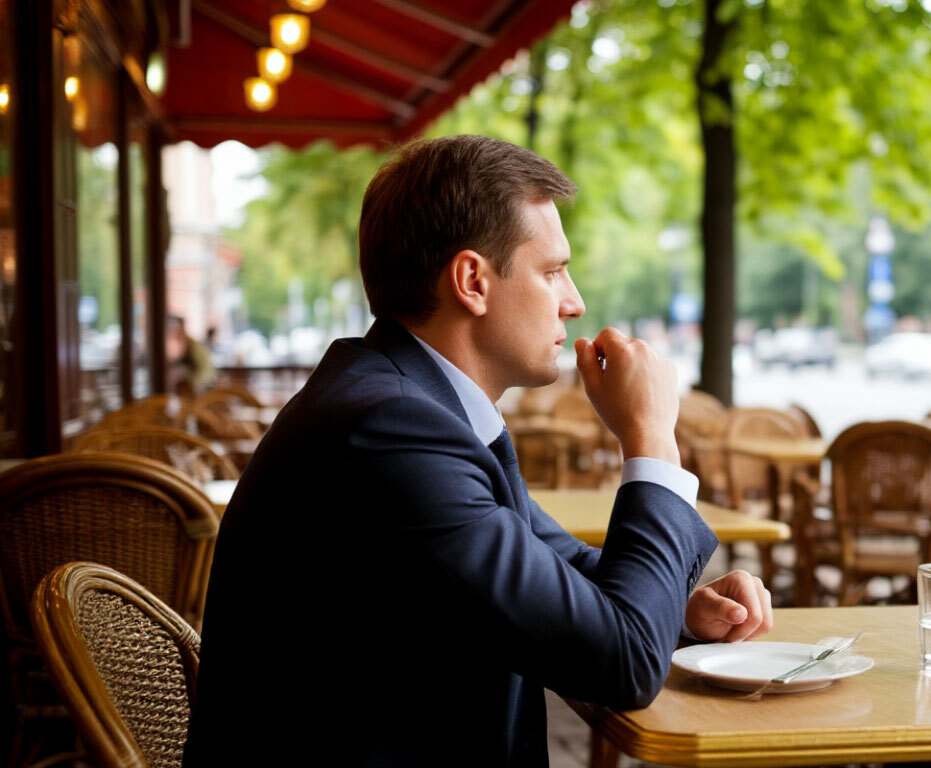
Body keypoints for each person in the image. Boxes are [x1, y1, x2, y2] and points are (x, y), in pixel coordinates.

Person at [183, 136, 773, 767]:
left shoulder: (406, 402)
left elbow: (559, 566)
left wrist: (678, 610)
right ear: (472, 281)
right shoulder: (391, 432)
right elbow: (622, 664)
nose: (574, 302)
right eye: (552, 272)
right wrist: (652, 439)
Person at [166, 315, 216, 395]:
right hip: (204, 377)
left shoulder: (191, 345)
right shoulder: (188, 343)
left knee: (178, 382)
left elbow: (199, 369)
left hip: (203, 378)